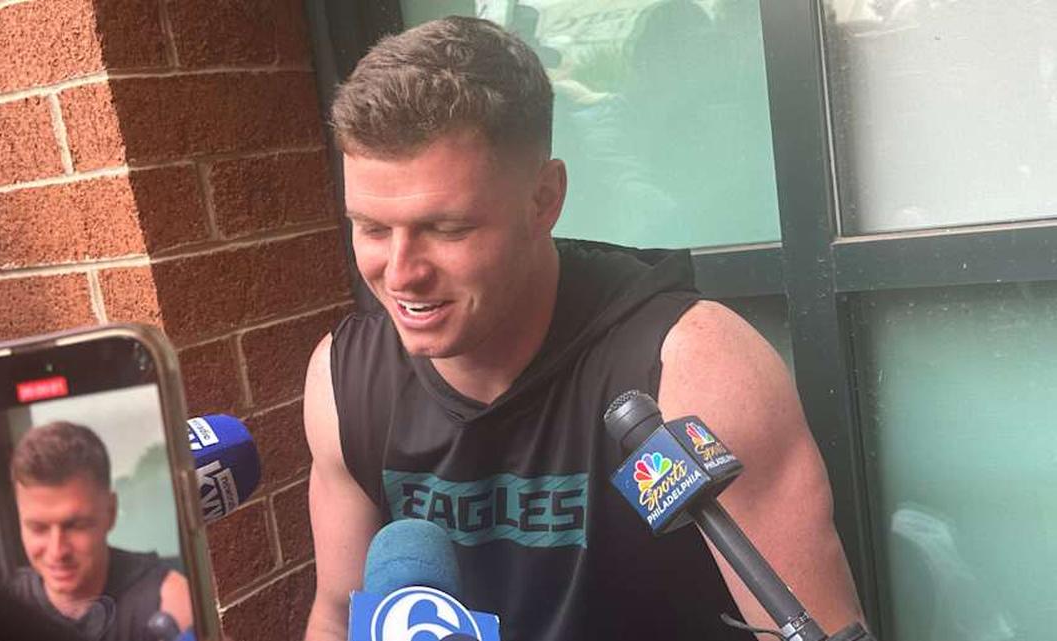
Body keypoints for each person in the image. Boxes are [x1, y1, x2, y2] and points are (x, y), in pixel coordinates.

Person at [303, 16, 865, 641]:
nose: (401, 273)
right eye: (372, 229)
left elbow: (810, 629)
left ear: (544, 200)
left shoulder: (691, 368)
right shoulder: (345, 381)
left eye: (448, 229)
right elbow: (338, 613)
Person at [7, 421, 192, 641]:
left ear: (110, 512)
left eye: (76, 525)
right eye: (38, 528)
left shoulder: (171, 602)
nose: (57, 551)